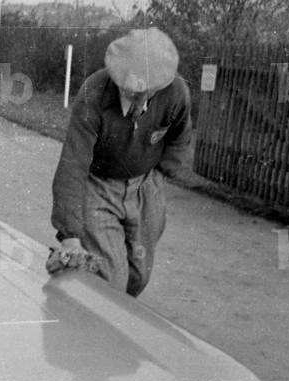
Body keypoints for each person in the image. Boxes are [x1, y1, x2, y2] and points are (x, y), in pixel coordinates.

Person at [48, 28, 192, 297]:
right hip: (100, 188)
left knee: (139, 274)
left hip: (147, 185)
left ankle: (115, 323)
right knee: (111, 278)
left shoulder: (176, 93)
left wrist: (162, 175)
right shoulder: (94, 93)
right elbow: (72, 164)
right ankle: (96, 330)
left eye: (145, 92)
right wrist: (69, 233)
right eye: (130, 91)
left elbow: (180, 137)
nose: (137, 98)